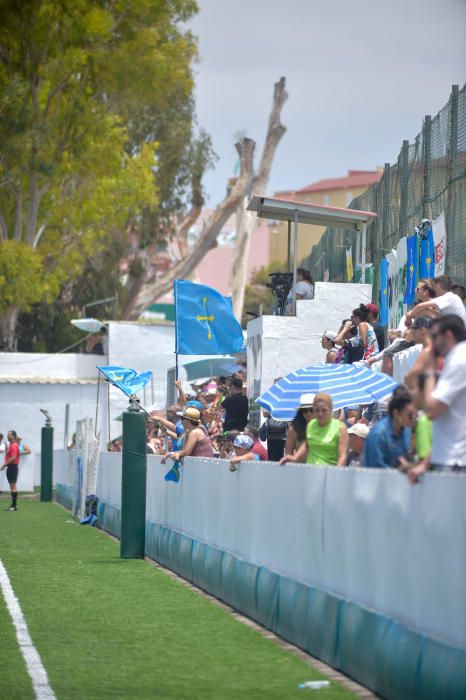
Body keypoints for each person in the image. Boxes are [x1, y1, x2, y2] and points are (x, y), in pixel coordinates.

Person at [416, 314, 466, 471]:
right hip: (451, 456)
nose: (431, 342)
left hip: (454, 460)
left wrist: (429, 372)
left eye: (434, 336)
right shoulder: (457, 358)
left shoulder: (459, 360)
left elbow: (432, 410)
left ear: (448, 336)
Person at [280, 393, 348, 467]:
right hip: (310, 471)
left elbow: (343, 456)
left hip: (329, 472)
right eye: (317, 410)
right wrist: (294, 458)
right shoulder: (311, 425)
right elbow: (306, 445)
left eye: (324, 410)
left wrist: (336, 473)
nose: (320, 414)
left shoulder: (340, 428)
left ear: (331, 410)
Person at [362, 389, 416, 468]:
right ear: (396, 413)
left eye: (414, 415)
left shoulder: (406, 431)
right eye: (410, 416)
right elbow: (375, 468)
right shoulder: (378, 434)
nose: (413, 419)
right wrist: (399, 469)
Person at [404, 317, 434, 390]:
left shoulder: (427, 351)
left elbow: (409, 379)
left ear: (422, 330)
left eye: (413, 329)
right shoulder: (439, 348)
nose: (410, 332)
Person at [1, 430, 21, 511]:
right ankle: (14, 505)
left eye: (9, 435)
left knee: (13, 486)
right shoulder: (12, 445)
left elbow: (13, 458)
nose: (7, 436)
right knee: (12, 486)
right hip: (11, 467)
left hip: (12, 467)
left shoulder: (14, 446)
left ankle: (14, 506)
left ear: (13, 436)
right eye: (7, 435)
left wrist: (4, 464)